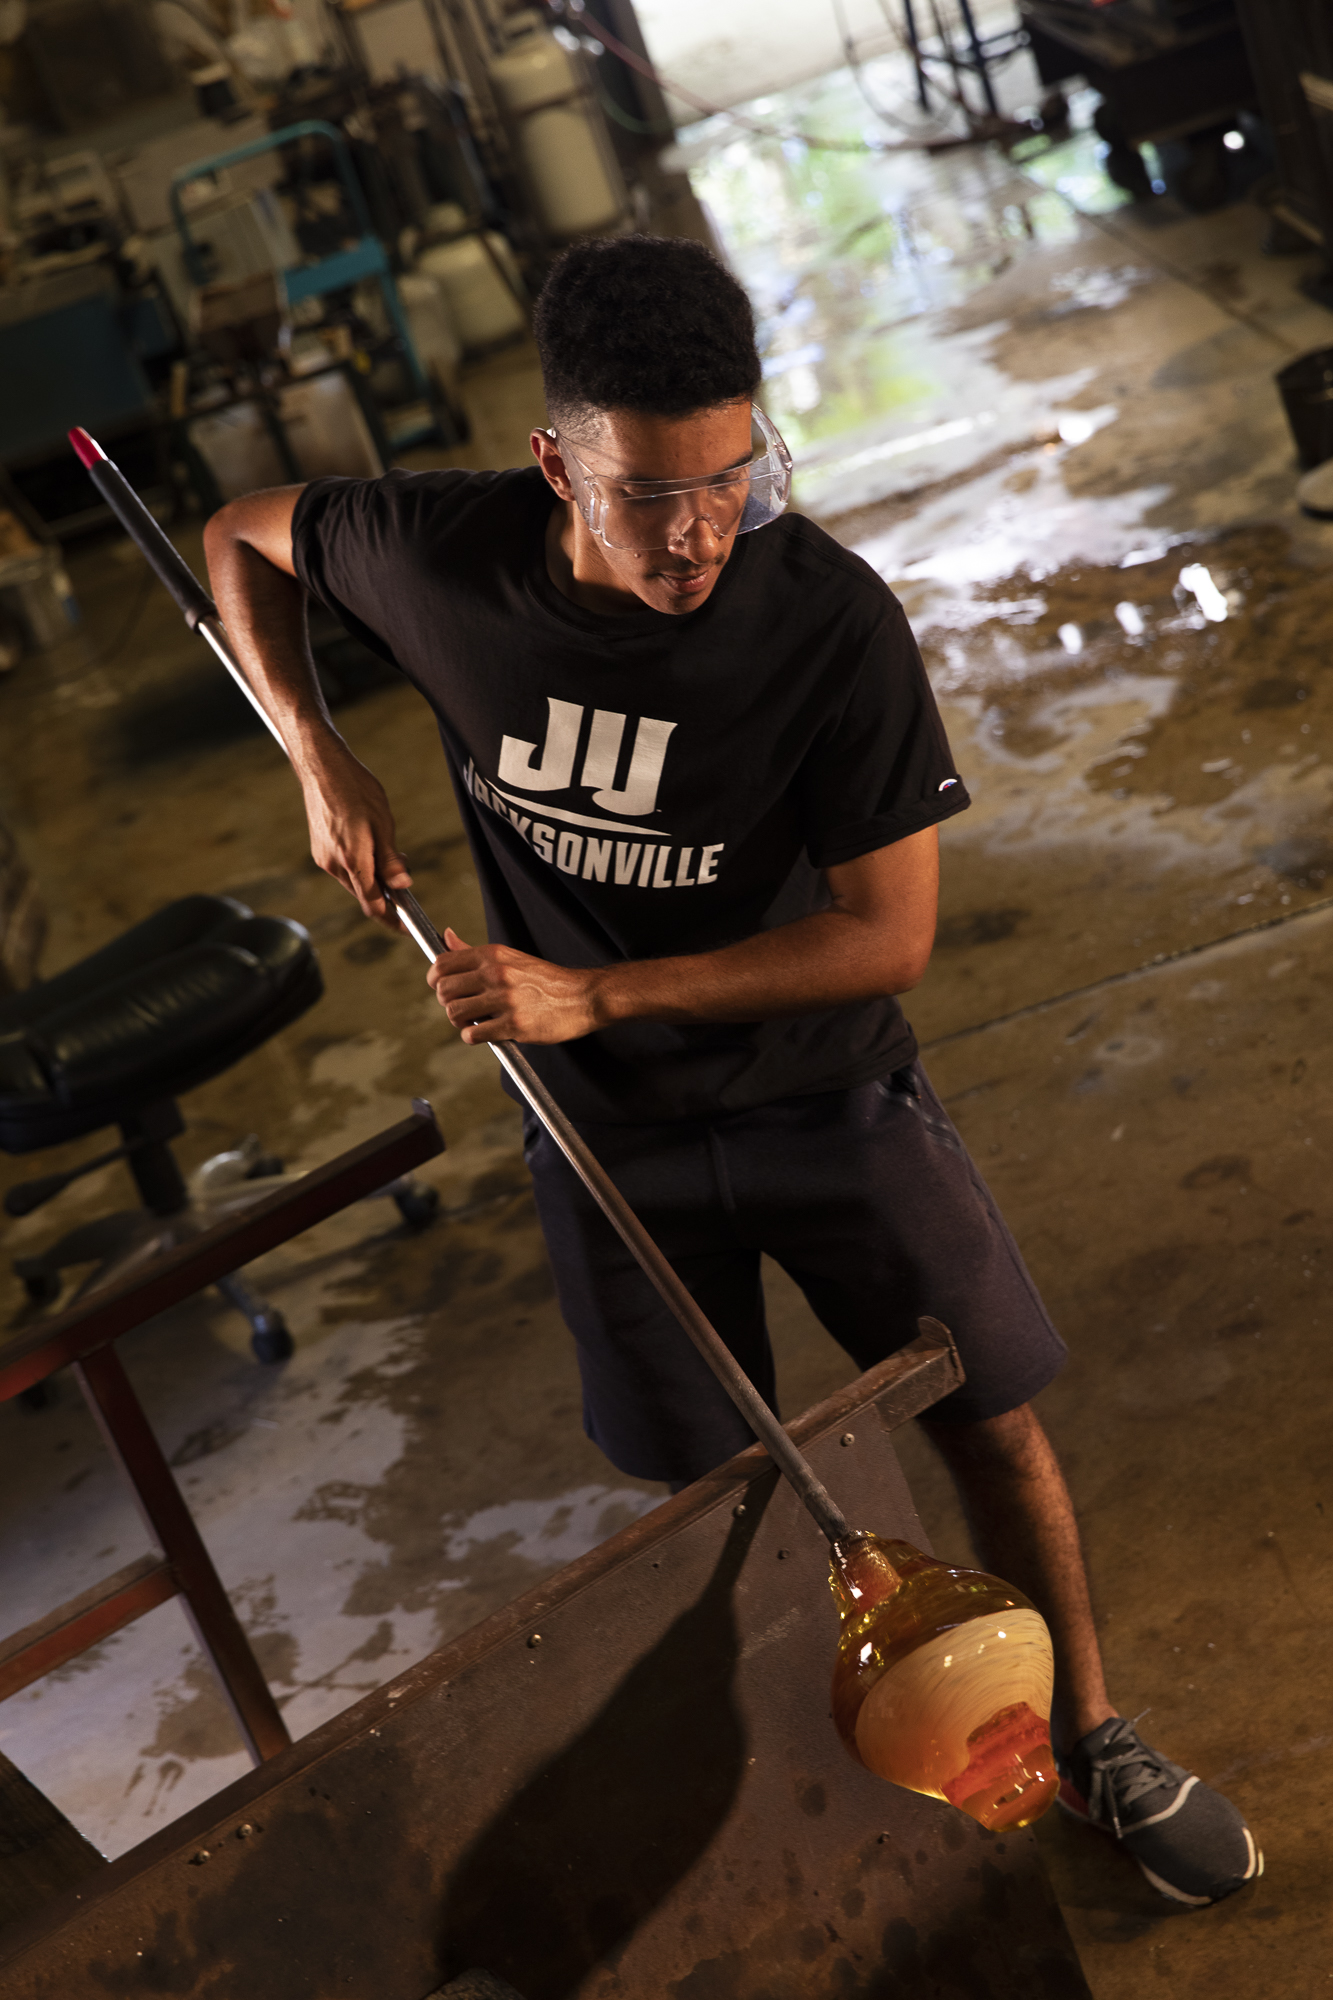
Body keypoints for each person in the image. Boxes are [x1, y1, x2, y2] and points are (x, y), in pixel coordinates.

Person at [204, 233, 1259, 1907]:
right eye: (647, 496)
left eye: (733, 477)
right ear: (557, 462)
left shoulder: (823, 619)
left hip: (819, 1089)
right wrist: (315, 745)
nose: (698, 531)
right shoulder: (435, 553)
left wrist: (597, 995)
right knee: (721, 1499)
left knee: (984, 1411)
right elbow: (237, 535)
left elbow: (884, 938)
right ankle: (836, 1822)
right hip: (598, 1140)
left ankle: (1093, 1735)